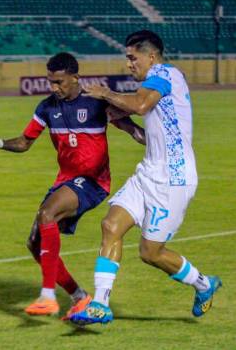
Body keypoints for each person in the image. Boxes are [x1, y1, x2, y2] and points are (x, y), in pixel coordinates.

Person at [70, 30, 222, 325]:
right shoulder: (156, 87)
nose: (129, 64)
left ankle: (204, 284)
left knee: (150, 253)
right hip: (149, 172)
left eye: (132, 58)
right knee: (110, 225)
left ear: (151, 57)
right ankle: (100, 305)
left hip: (173, 179)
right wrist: (124, 125)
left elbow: (139, 105)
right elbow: (146, 137)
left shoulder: (167, 74)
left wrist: (106, 94)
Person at [0, 52, 145, 319]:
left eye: (59, 82)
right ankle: (79, 297)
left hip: (93, 181)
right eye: (50, 82)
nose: (54, 88)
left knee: (47, 214)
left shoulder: (96, 104)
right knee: (35, 244)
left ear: (75, 77)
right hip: (66, 180)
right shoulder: (47, 107)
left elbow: (131, 129)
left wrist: (164, 146)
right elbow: (24, 142)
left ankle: (47, 297)